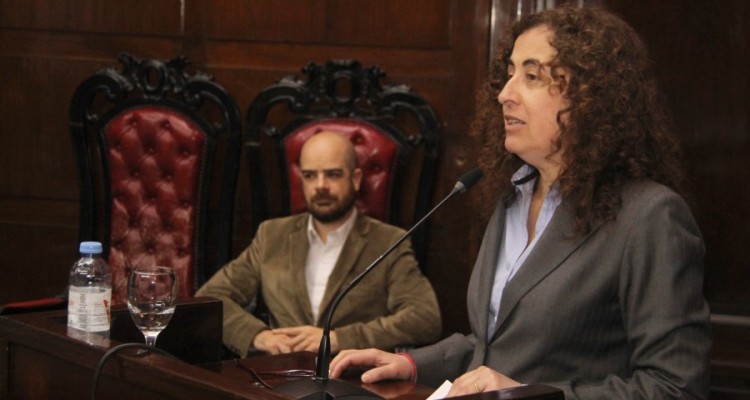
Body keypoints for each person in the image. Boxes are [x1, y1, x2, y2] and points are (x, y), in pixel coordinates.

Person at [330, 6, 711, 399]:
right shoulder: (512, 198)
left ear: (590, 94)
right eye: (509, 74)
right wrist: (411, 363)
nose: (504, 94)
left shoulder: (649, 216)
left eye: (531, 76)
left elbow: (675, 387)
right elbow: (492, 343)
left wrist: (532, 395)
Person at [196, 131, 441, 357]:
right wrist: (257, 336)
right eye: (310, 175)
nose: (320, 186)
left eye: (333, 174)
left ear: (356, 179)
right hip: (279, 376)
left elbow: (424, 318)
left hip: (352, 380)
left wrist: (338, 339)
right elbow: (210, 298)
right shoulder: (272, 235)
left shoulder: (388, 242)